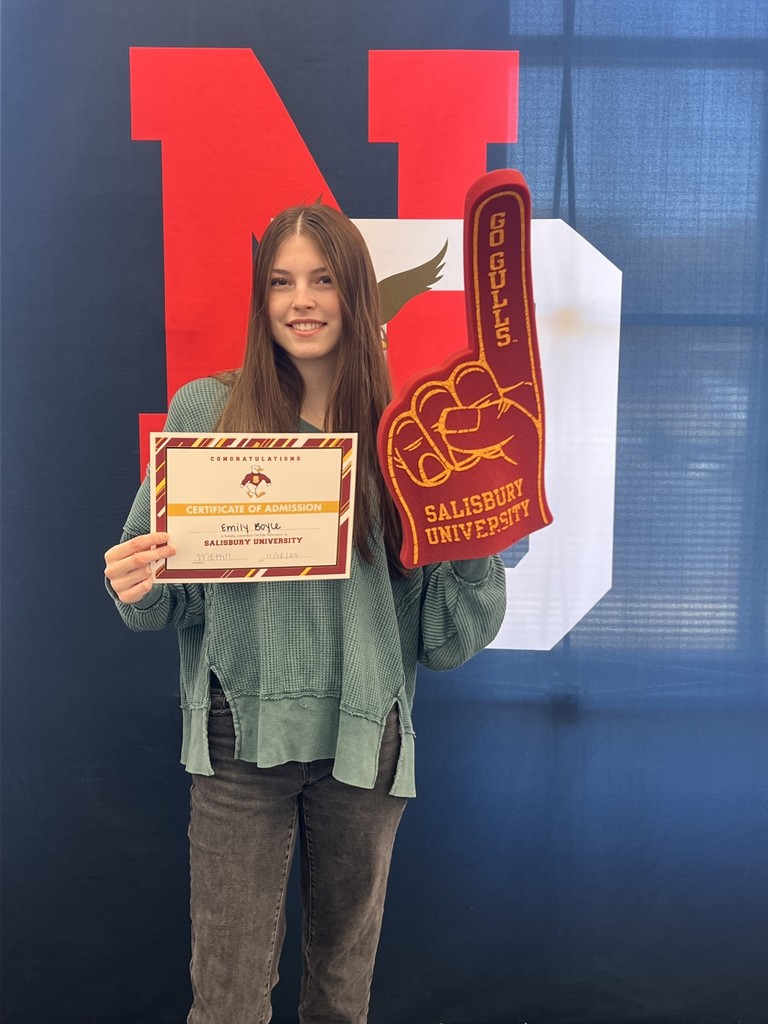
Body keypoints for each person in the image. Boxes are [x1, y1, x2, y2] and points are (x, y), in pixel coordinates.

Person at [104, 204, 506, 1024]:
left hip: (367, 735)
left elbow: (446, 636)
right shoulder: (206, 411)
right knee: (226, 1003)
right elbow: (164, 599)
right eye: (281, 282)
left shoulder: (409, 435)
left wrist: (471, 529)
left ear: (358, 293)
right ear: (262, 302)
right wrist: (133, 581)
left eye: (323, 279)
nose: (302, 300)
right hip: (237, 733)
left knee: (340, 999)